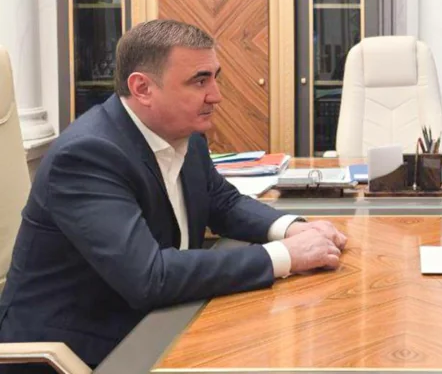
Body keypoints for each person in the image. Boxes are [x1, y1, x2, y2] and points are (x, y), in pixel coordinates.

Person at [0, 19, 347, 371]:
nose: (216, 95)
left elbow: (222, 203)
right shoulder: (88, 155)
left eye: (215, 77)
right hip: (76, 352)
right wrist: (285, 256)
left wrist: (293, 228)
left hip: (160, 324)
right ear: (142, 88)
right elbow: (148, 277)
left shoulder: (186, 136)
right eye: (200, 80)